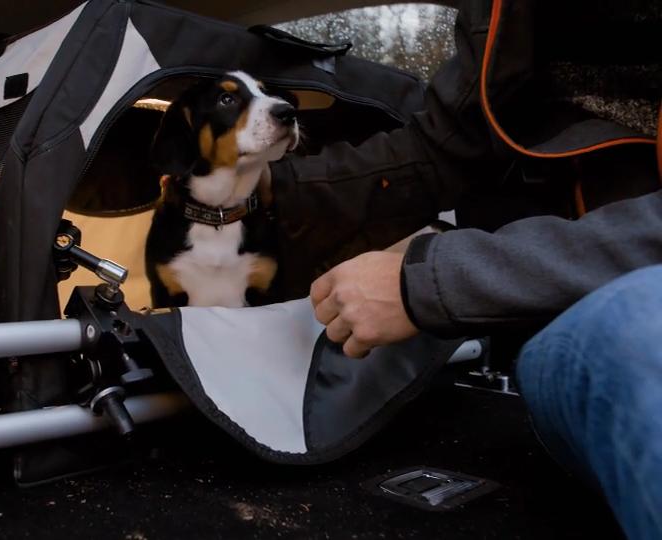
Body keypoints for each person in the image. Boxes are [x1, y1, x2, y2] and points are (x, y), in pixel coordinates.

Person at [269, 1, 662, 538]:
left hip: (629, 321)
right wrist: (274, 189)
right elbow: (438, 149)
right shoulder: (505, 14)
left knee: (635, 326)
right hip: (564, 336)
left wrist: (432, 279)